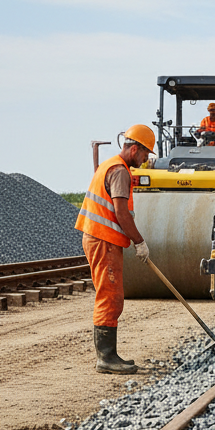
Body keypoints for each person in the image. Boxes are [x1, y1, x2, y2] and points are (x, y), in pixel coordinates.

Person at [75, 124, 155, 374]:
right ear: (134, 148)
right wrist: (139, 241)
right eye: (145, 154)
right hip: (103, 240)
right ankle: (106, 358)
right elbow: (121, 212)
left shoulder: (109, 166)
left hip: (101, 238)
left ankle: (109, 355)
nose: (145, 159)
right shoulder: (119, 171)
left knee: (111, 295)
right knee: (110, 297)